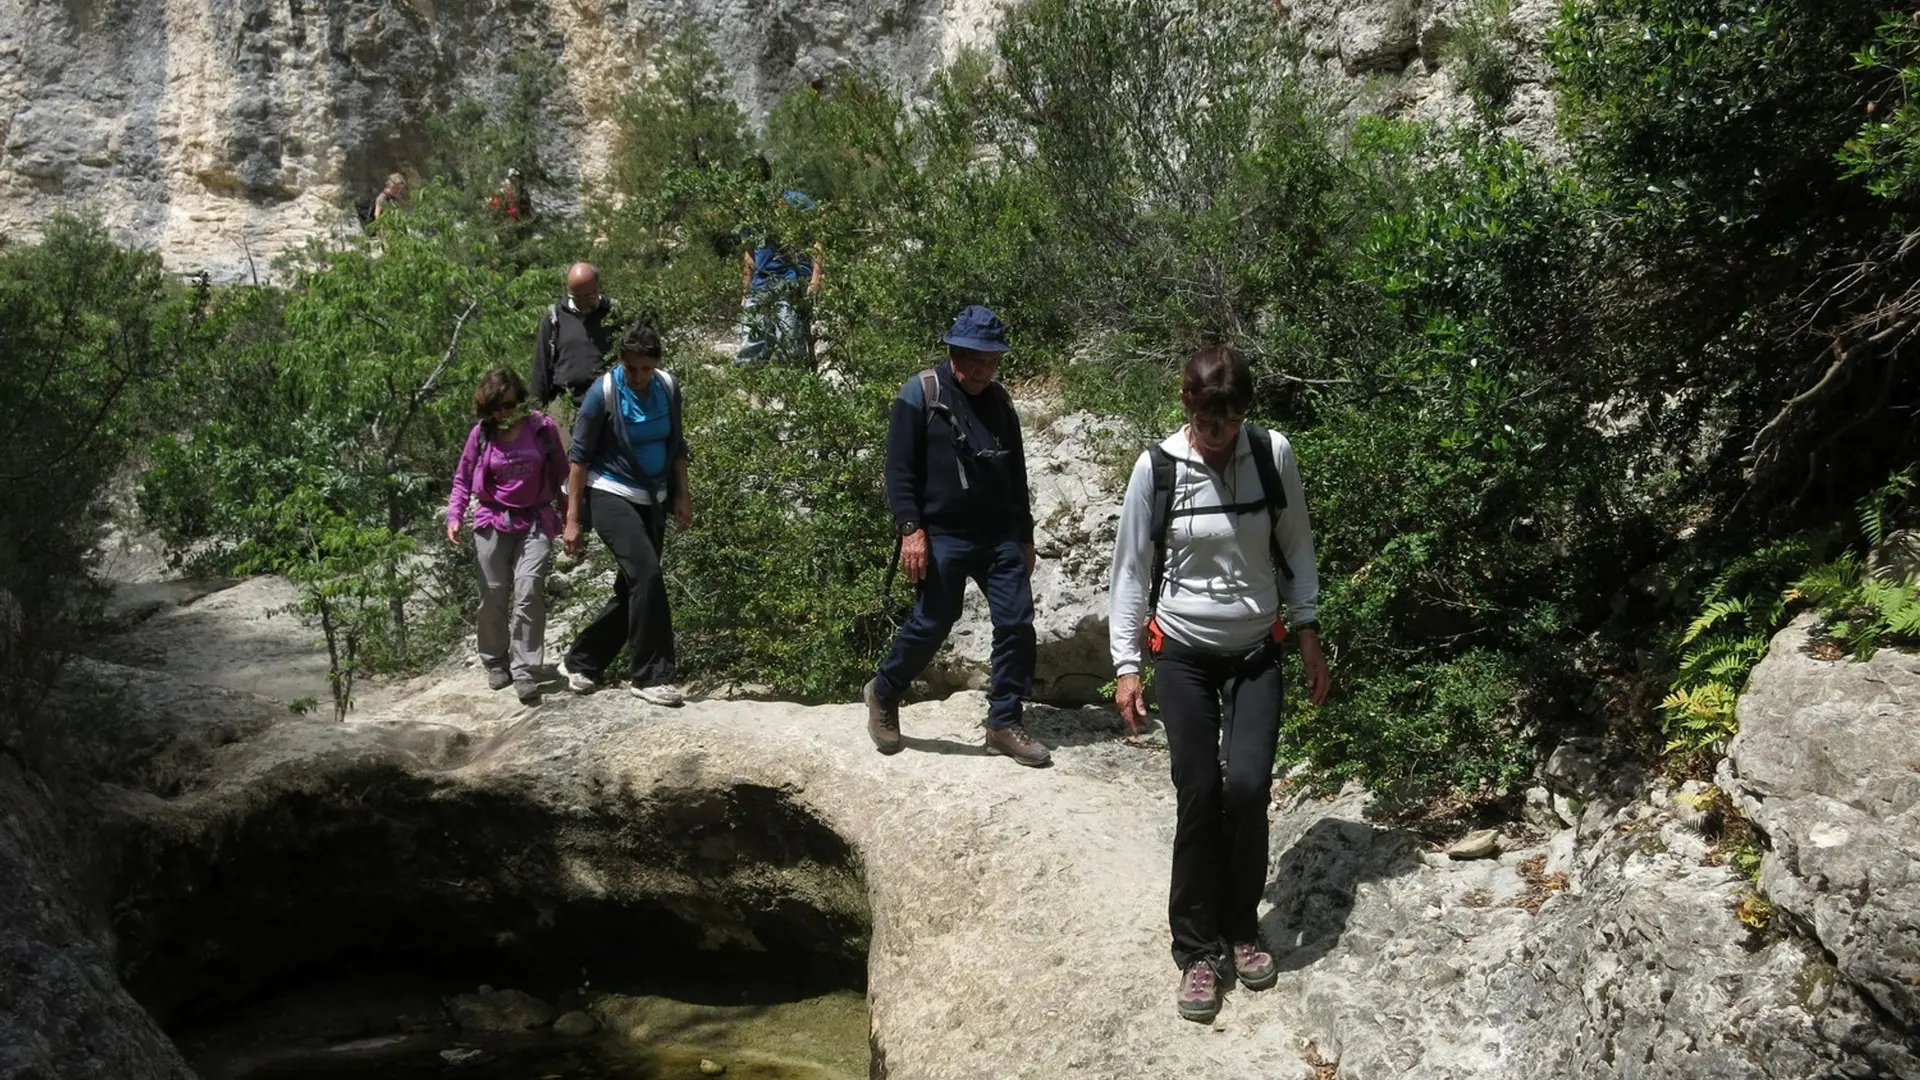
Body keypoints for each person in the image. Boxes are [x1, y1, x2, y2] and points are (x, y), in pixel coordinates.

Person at [1107, 345, 1330, 1023]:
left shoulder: (1271, 454)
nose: (1218, 433)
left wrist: (1309, 630)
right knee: (1200, 791)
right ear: (1187, 405)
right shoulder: (1157, 469)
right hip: (1182, 654)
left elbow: (1297, 545)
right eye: (1207, 421)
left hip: (1257, 651)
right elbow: (1131, 571)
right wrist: (1126, 666)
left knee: (1249, 786)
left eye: (1230, 421)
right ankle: (1197, 951)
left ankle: (1240, 928)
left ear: (1245, 412)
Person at [861, 305, 1050, 767]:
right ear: (954, 352)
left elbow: (1016, 474)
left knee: (1017, 623)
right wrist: (911, 530)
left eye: (991, 361)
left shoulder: (1000, 402)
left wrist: (1024, 536)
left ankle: (1003, 721)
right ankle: (884, 691)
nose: (983, 370)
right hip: (941, 532)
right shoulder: (921, 393)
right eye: (975, 360)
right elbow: (899, 470)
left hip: (997, 534)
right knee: (933, 621)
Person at [560, 317, 690, 707]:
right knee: (647, 575)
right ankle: (651, 676)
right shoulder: (602, 394)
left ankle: (582, 660)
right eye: (631, 368)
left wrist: (683, 495)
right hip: (609, 493)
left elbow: (677, 444)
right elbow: (579, 460)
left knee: (633, 586)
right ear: (621, 361)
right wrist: (573, 520)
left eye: (646, 368)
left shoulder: (667, 388)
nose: (638, 376)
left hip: (654, 496)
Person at [447, 368, 569, 705]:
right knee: (494, 595)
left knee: (529, 590)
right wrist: (454, 515)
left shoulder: (542, 428)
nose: (504, 413)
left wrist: (572, 518)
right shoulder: (481, 434)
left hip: (536, 519)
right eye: (496, 408)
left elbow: (562, 474)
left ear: (521, 401)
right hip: (491, 519)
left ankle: (525, 669)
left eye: (510, 405)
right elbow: (462, 478)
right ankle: (495, 660)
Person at [531, 262, 623, 439]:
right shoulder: (554, 318)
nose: (583, 302)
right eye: (577, 296)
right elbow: (541, 369)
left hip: (610, 404)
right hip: (568, 406)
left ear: (598, 288)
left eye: (589, 296)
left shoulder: (615, 313)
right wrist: (535, 414)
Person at [737, 189, 824, 365]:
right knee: (750, 345)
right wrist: (746, 291)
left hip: (792, 280)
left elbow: (818, 240)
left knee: (790, 342)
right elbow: (749, 253)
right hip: (761, 284)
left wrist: (816, 278)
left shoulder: (797, 201)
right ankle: (750, 381)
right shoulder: (751, 210)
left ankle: (795, 378)